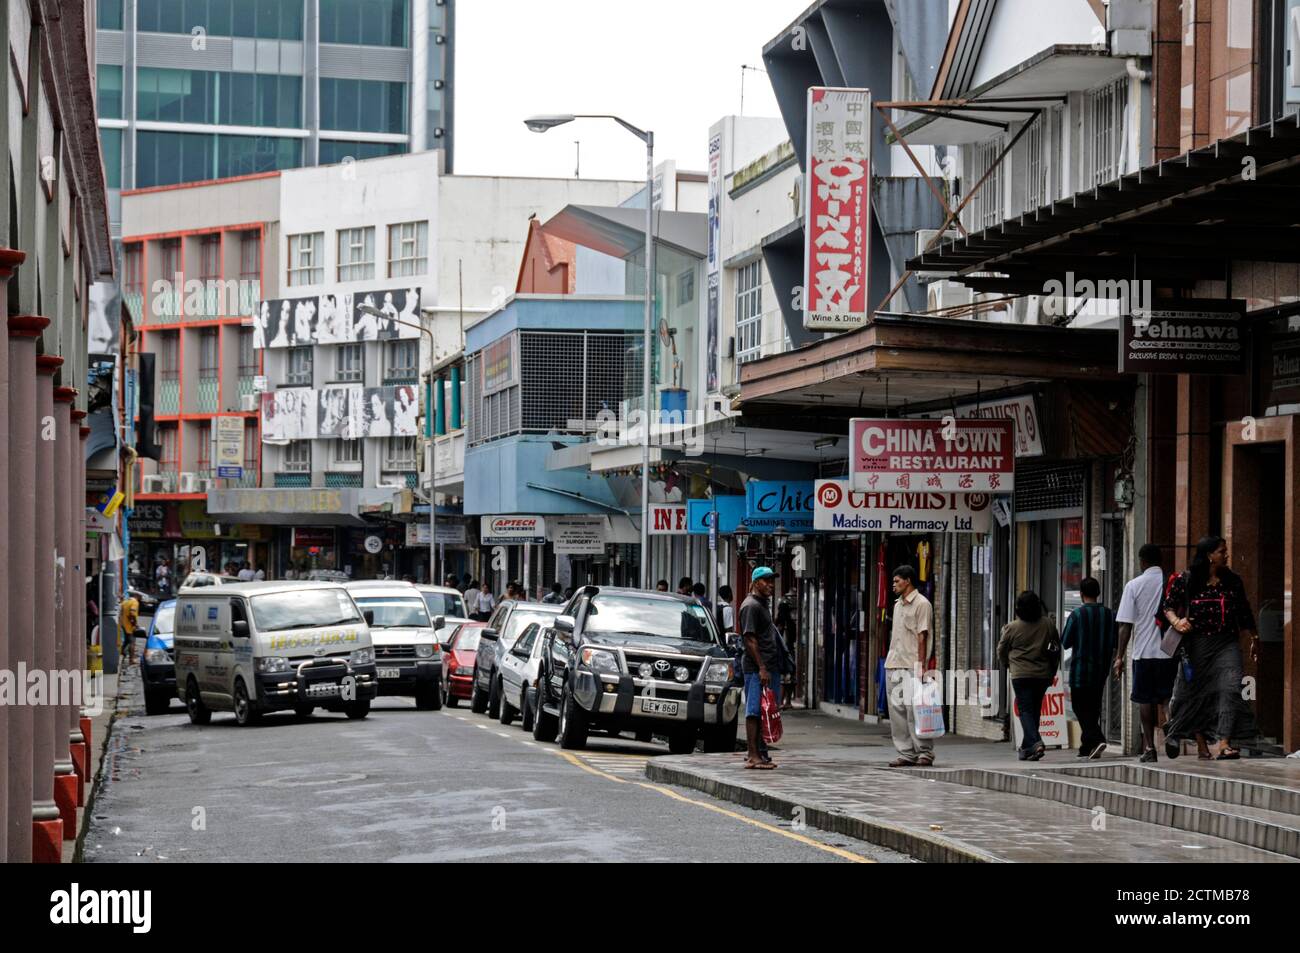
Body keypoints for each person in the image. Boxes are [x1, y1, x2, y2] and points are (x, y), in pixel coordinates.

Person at [1161, 535, 1259, 760]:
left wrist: (1254, 637)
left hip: (1226, 643)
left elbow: (1244, 610)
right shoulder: (1187, 579)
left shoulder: (1233, 580)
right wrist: (1177, 621)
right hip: (1196, 645)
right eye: (1222, 551)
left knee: (1232, 687)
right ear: (1209, 556)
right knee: (1189, 694)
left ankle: (1224, 743)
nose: (1226, 555)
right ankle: (1176, 729)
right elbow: (1167, 606)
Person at [1114, 544, 1173, 762]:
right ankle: (1171, 724)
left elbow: (1125, 625)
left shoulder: (1134, 585)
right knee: (1167, 697)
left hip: (1143, 653)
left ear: (1142, 561)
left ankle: (1150, 749)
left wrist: (1119, 656)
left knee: (1144, 700)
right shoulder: (1171, 583)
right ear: (1160, 560)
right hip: (1168, 651)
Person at [998, 591, 1060, 762]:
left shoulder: (1012, 627)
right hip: (1042, 674)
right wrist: (1053, 669)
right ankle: (1027, 749)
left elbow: (1001, 650)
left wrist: (1008, 664)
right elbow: (1056, 648)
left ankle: (1036, 742)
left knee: (1025, 710)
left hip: (1021, 674)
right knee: (1035, 710)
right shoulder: (1048, 624)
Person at [884, 565, 936, 768]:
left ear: (908, 581)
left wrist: (921, 665)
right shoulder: (897, 605)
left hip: (912, 665)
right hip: (894, 663)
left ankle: (925, 752)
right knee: (897, 713)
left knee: (916, 711)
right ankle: (906, 753)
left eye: (897, 581)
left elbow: (922, 636)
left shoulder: (922, 604)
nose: (894, 585)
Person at [1062, 577, 1117, 759]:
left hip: (1081, 670)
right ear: (1098, 593)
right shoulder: (1109, 614)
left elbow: (1066, 641)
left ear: (1081, 594)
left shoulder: (1077, 615)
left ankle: (1097, 738)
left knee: (1079, 706)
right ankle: (1087, 746)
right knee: (1093, 708)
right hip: (1101, 670)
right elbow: (1115, 641)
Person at [739, 566, 782, 770]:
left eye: (772, 580)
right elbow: (750, 639)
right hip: (756, 668)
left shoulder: (762, 604)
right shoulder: (751, 606)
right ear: (756, 583)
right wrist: (762, 668)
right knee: (754, 710)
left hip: (767, 666)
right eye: (766, 581)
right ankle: (752, 755)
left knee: (766, 709)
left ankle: (761, 754)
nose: (771, 585)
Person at [119, 589, 140, 666]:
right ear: (136, 596)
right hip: (130, 626)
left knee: (127, 640)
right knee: (132, 642)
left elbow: (121, 613)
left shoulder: (125, 602)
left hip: (123, 624)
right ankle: (131, 659)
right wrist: (134, 623)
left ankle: (122, 651)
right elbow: (132, 612)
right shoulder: (135, 602)